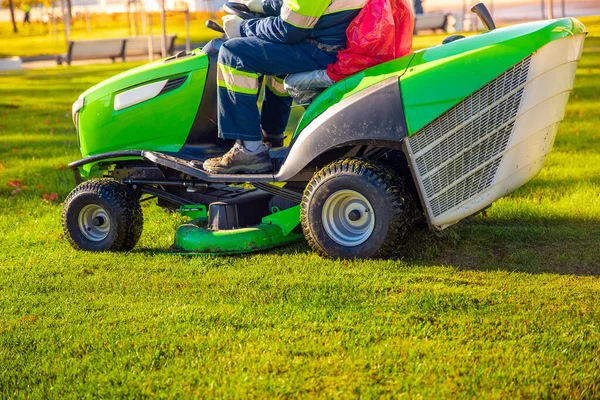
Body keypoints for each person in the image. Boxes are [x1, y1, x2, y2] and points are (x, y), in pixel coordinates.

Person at [201, 0, 367, 174]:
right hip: (338, 43)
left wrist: (242, 28)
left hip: (323, 50)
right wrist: (261, 5)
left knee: (233, 54)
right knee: (274, 60)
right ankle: (272, 136)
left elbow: (288, 29)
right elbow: (300, 7)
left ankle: (248, 150)